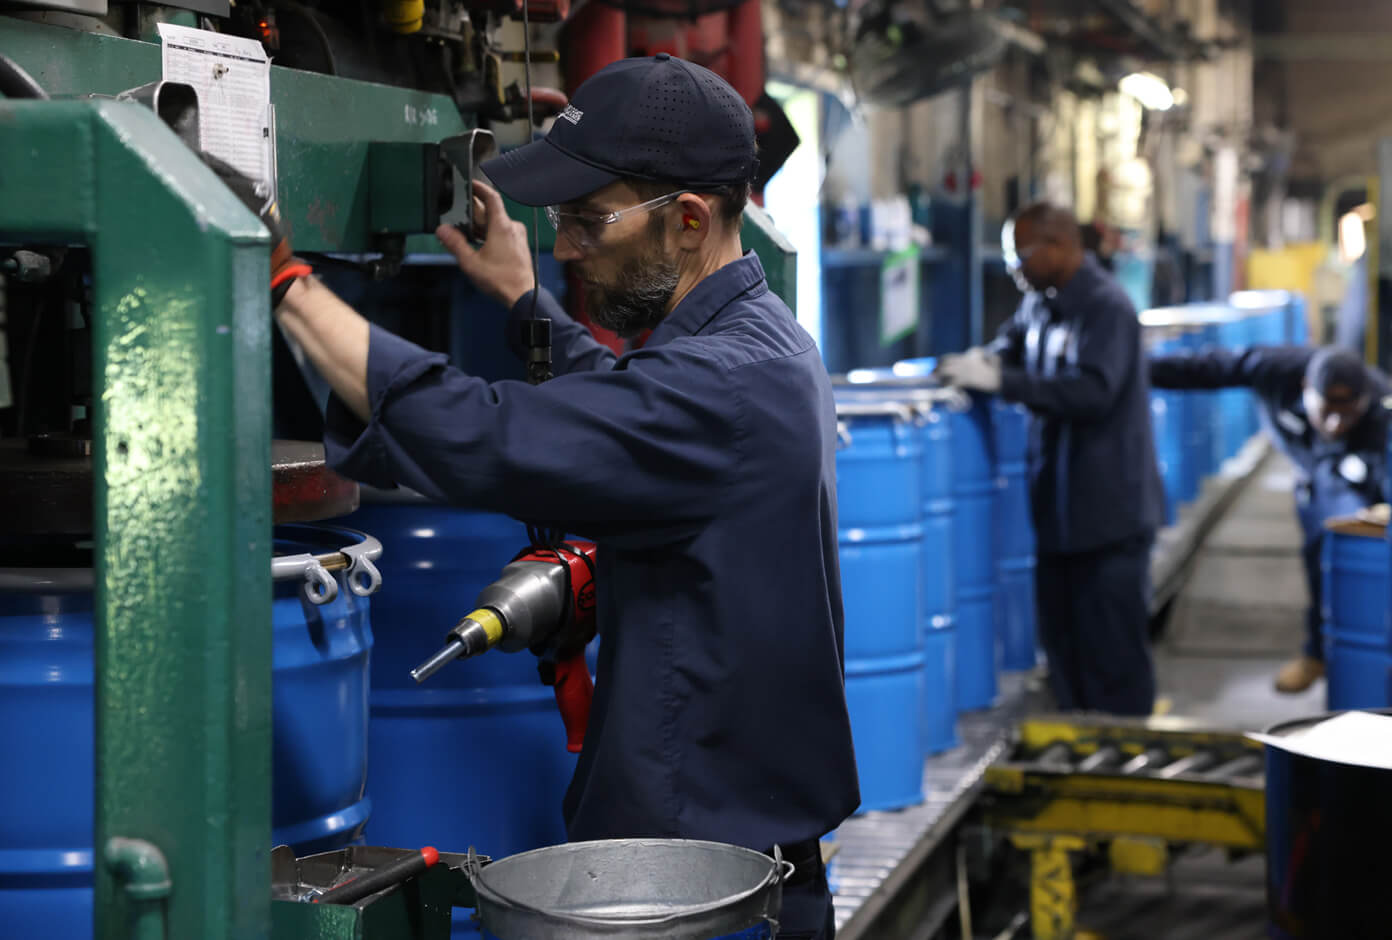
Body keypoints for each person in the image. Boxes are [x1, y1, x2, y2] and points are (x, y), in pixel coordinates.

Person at [224, 54, 858, 938]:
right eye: (559, 219)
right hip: (719, 862)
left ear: (685, 220)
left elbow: (491, 437)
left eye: (589, 221)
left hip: (692, 897)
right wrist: (525, 304)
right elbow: (632, 406)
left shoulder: (723, 384)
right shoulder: (756, 343)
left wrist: (287, 283)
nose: (565, 248)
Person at [935, 203, 1164, 716]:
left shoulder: (1108, 309)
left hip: (1110, 524)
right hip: (1060, 521)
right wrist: (986, 361)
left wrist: (1003, 382)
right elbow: (1010, 347)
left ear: (1059, 248)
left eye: (1022, 256)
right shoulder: (1043, 304)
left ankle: (1125, 772)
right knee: (1066, 658)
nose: (1015, 269)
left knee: (1113, 663)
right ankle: (1083, 769)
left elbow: (1092, 393)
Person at [1150, 344, 1390, 693]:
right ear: (1307, 388)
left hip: (1354, 477)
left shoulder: (1381, 408)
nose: (1337, 423)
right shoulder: (1273, 369)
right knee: (1314, 556)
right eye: (1327, 411)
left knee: (1352, 552)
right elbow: (1208, 367)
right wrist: (1130, 365)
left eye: (1348, 412)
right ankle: (1316, 655)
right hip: (1309, 471)